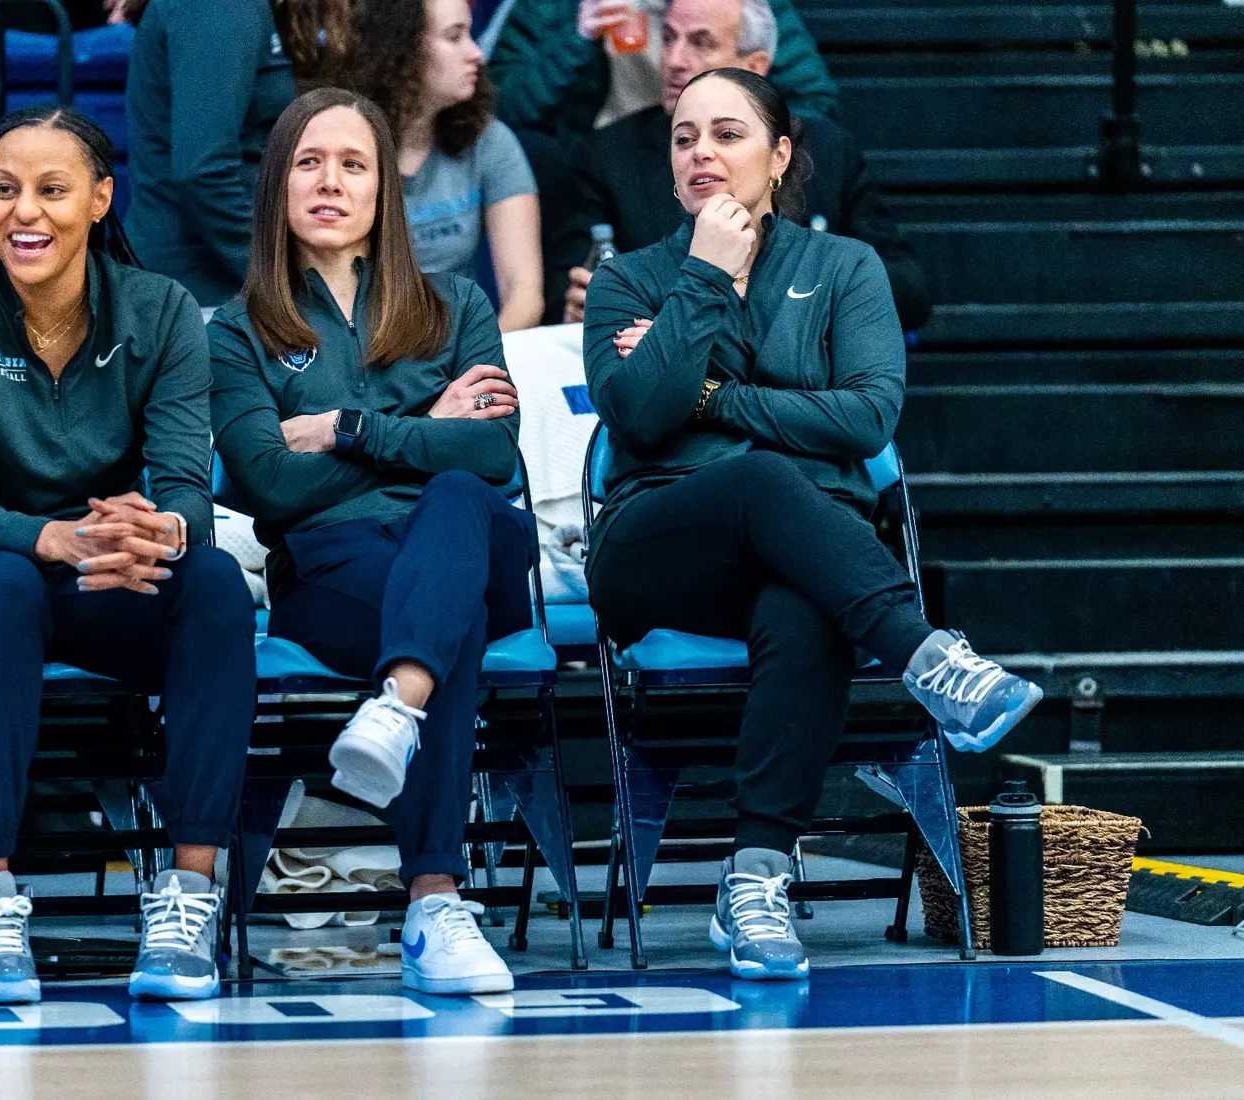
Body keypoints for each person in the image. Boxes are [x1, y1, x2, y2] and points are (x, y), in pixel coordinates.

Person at [583, 69, 1043, 980]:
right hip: (656, 543)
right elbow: (639, 415)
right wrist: (706, 276)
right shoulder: (629, 279)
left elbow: (868, 416)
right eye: (683, 139)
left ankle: (753, 880)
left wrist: (712, 396)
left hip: (806, 551)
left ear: (781, 154)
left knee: (805, 604)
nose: (701, 154)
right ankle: (929, 658)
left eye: (726, 134)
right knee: (763, 483)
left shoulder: (845, 269)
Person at [0, 105, 258, 1006]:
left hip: (90, 570)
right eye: (5, 190)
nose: (23, 212)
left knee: (215, 582)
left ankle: (191, 894)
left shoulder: (157, 310)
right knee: (1, 587)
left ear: (100, 199)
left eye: (50, 190)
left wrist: (157, 531)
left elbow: (189, 483)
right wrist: (58, 538)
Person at [210, 87, 535, 996]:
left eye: (354, 164)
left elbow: (495, 453)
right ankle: (434, 901)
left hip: (464, 537)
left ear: (383, 191)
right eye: (309, 163)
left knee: (462, 500)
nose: (331, 182)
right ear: (277, 185)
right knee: (446, 609)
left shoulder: (455, 307)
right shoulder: (237, 332)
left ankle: (399, 714)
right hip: (333, 569)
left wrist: (351, 429)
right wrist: (427, 424)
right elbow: (270, 482)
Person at [560, 0, 930, 330]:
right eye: (669, 38)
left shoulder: (825, 148)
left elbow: (909, 294)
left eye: (701, 43)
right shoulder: (608, 155)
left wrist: (807, 285)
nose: (674, 60)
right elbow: (568, 292)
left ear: (755, 66)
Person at [123, 0, 355, 306]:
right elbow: (205, 171)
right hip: (202, 293)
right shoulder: (219, 6)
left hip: (214, 285)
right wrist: (280, 278)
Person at [347, 0, 544, 332]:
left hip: (463, 348)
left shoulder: (489, 140)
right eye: (455, 37)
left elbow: (524, 294)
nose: (476, 54)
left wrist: (477, 360)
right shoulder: (343, 144)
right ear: (400, 49)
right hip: (366, 352)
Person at [489, 0, 837, 151]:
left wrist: (740, 144)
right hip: (599, 171)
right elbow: (499, 107)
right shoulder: (557, 7)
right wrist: (575, 39)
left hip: (715, 162)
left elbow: (812, 101)